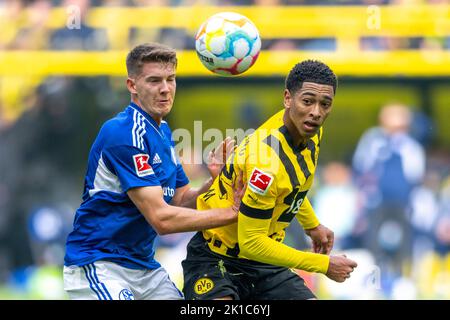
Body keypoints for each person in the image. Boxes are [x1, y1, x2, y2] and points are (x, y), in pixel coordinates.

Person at [63, 42, 243, 300]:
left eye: (171, 79)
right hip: (100, 263)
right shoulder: (123, 133)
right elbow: (162, 219)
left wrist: (213, 182)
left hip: (144, 267)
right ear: (132, 86)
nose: (165, 89)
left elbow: (180, 200)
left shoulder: (163, 131)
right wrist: (231, 213)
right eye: (154, 80)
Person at [182, 60, 358, 300]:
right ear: (288, 98)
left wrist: (312, 225)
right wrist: (322, 264)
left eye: (325, 104)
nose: (316, 112)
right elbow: (251, 242)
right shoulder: (264, 163)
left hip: (263, 263)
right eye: (307, 101)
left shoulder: (310, 129)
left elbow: (290, 185)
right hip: (216, 257)